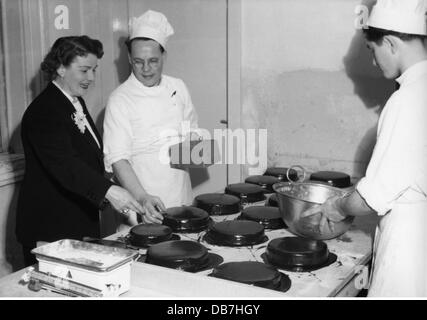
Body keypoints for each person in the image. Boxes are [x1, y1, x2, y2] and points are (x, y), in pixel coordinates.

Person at [302, 0, 427, 297]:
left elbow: (371, 199)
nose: (373, 61)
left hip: (407, 250)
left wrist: (337, 206)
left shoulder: (407, 100)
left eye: (373, 51)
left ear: (391, 43)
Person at [16, 36, 145, 266]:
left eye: (94, 70)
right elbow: (66, 165)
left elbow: (87, 157)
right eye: (84, 70)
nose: (91, 78)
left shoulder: (73, 101)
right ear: (60, 68)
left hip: (75, 224)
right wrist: (111, 191)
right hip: (49, 230)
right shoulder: (44, 111)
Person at [103, 10, 200, 226]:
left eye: (153, 61)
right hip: (143, 206)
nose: (146, 69)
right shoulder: (120, 99)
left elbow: (192, 133)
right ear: (129, 58)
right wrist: (142, 198)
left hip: (182, 199)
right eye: (138, 62)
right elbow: (118, 159)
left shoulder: (178, 87)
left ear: (164, 56)